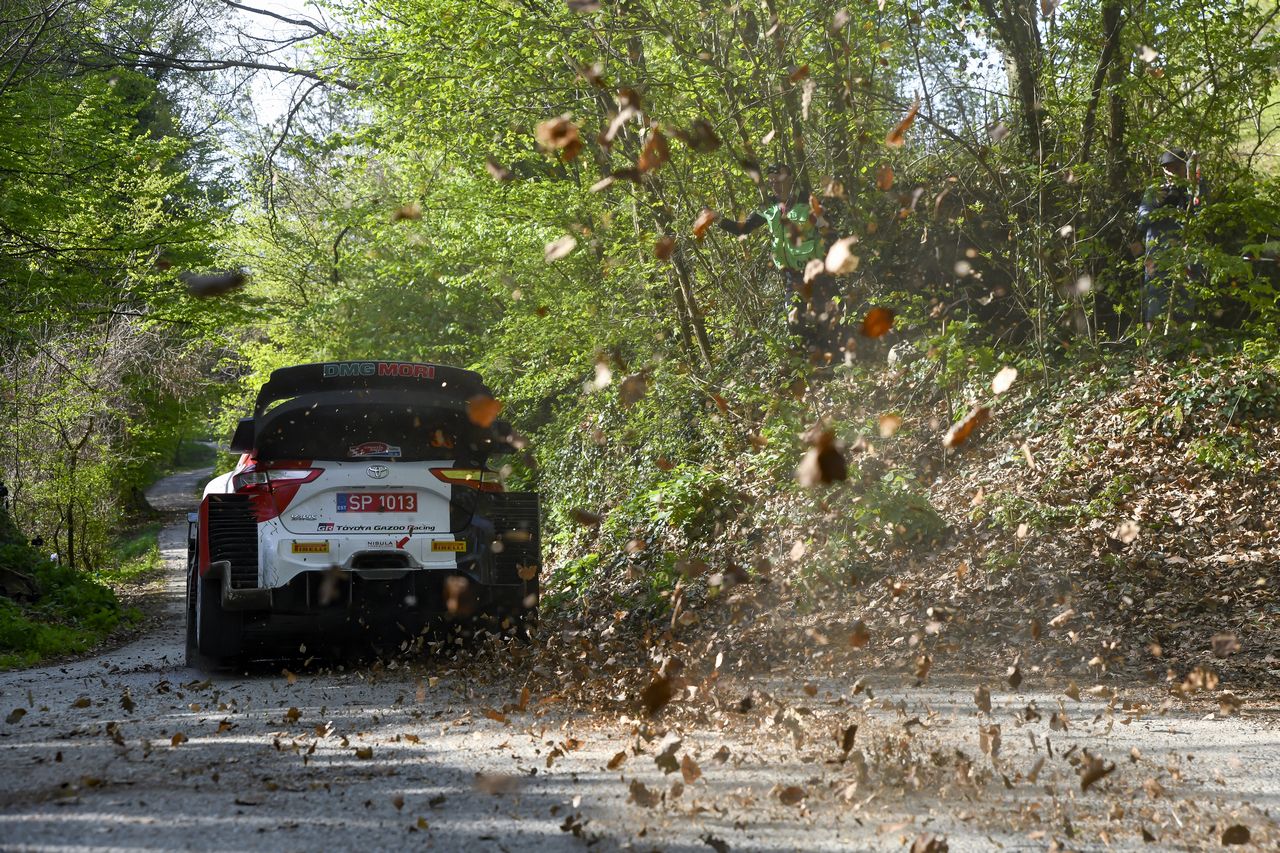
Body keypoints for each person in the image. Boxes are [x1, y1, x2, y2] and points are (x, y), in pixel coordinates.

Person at [718, 163, 839, 353]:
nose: (775, 184)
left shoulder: (807, 202)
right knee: (794, 318)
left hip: (816, 271)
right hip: (792, 275)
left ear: (790, 179)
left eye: (779, 179)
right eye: (771, 181)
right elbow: (743, 228)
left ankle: (835, 361)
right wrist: (717, 219)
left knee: (825, 318)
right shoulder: (768, 207)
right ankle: (806, 364)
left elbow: (829, 232)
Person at [1137, 148, 1208, 327]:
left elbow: (1204, 218)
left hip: (1185, 254)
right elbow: (1140, 221)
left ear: (1185, 167)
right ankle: (1154, 347)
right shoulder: (1154, 190)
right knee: (1155, 302)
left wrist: (1187, 200)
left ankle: (1180, 347)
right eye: (1167, 169)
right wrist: (1159, 205)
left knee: (1184, 302)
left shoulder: (1195, 188)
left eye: (1175, 168)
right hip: (1158, 256)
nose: (1170, 173)